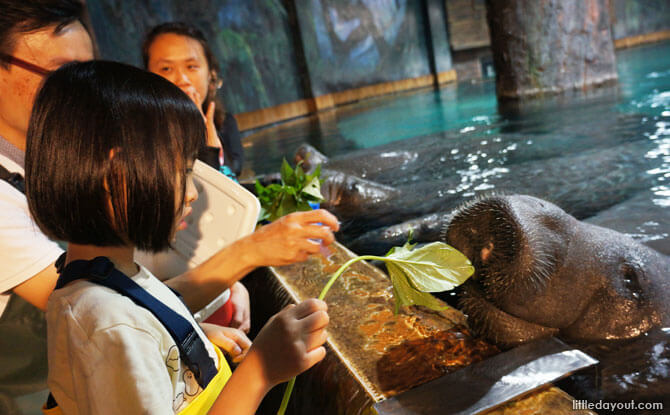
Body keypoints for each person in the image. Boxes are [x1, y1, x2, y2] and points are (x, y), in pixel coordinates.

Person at [0, 0, 338, 411]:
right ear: (114, 173)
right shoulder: (106, 323)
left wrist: (181, 341)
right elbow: (117, 332)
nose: (192, 192)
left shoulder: (108, 275)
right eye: (177, 171)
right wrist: (262, 369)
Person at [142, 21, 244, 180]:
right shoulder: (142, 137)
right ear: (147, 77)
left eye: (191, 66)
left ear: (211, 74)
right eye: (166, 69)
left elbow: (234, 172)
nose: (182, 79)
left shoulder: (225, 122)